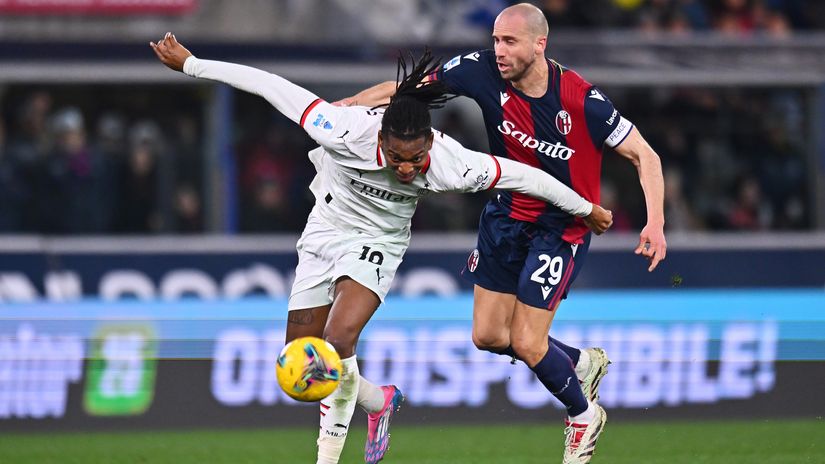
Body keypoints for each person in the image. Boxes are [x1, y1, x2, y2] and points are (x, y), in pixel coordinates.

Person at [150, 33, 613, 464]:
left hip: (379, 243)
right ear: (381, 141)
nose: (408, 168)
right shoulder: (343, 129)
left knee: (336, 343)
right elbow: (270, 85)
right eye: (397, 158)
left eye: (416, 158)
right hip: (324, 231)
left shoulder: (450, 163)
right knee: (305, 372)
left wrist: (586, 207)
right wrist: (191, 64)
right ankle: (379, 400)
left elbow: (527, 177)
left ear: (430, 143)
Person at [342, 3, 667, 463]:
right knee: (490, 336)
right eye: (495, 40)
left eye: (509, 42)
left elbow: (644, 155)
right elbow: (405, 90)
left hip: (562, 226)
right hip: (505, 215)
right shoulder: (479, 71)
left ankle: (582, 415)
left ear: (540, 44)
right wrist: (351, 105)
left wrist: (655, 220)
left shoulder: (581, 99)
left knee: (529, 341)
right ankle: (577, 363)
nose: (497, 50)